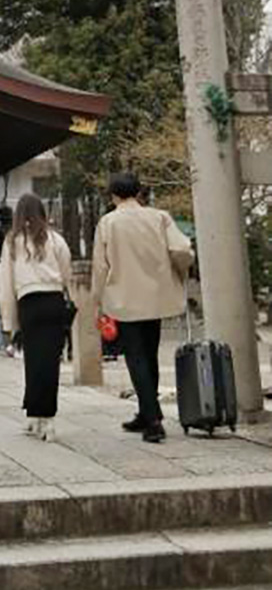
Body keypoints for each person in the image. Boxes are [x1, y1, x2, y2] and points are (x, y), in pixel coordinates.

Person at [92, 171, 193, 444]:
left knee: (135, 357)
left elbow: (100, 267)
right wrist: (178, 272)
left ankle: (152, 421)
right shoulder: (159, 217)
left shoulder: (107, 223)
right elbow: (183, 250)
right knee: (149, 354)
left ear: (113, 195)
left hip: (124, 298)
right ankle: (149, 411)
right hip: (156, 296)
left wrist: (96, 301)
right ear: (138, 193)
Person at [0, 193, 72, 442]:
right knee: (50, 362)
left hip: (29, 303)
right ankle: (46, 420)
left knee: (33, 360)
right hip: (53, 301)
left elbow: (6, 284)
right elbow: (67, 273)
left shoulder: (12, 242)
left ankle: (35, 416)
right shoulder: (55, 239)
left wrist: (9, 322)